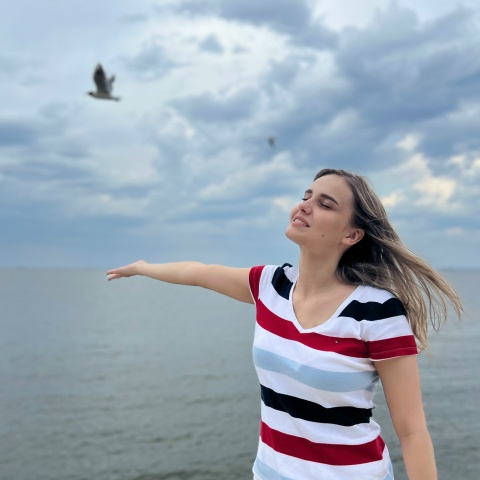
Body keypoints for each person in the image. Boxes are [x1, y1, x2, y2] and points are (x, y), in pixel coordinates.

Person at [107, 168, 462, 480]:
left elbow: (412, 431)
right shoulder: (270, 285)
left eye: (325, 204)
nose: (304, 205)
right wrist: (143, 268)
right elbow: (198, 273)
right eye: (306, 196)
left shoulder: (377, 310)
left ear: (352, 235)